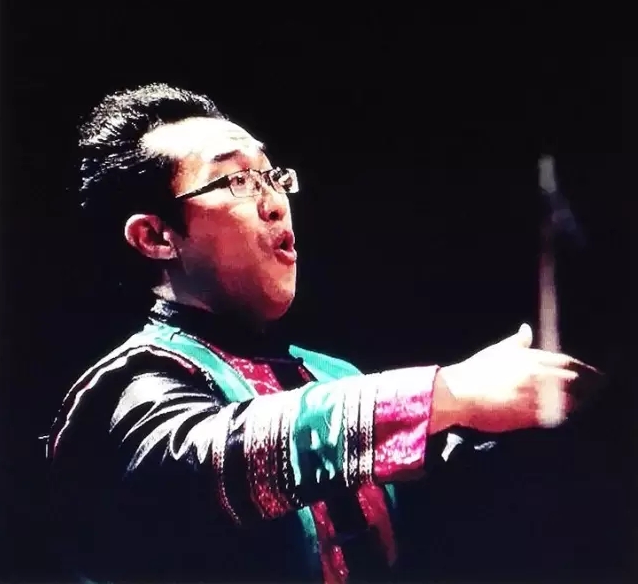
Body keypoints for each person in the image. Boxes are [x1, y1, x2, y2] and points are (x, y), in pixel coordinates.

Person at [47, 83, 599, 583]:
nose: (274, 202)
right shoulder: (127, 391)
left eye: (272, 176)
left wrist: (527, 417)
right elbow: (213, 464)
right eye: (238, 180)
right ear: (156, 237)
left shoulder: (333, 376)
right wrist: (450, 393)